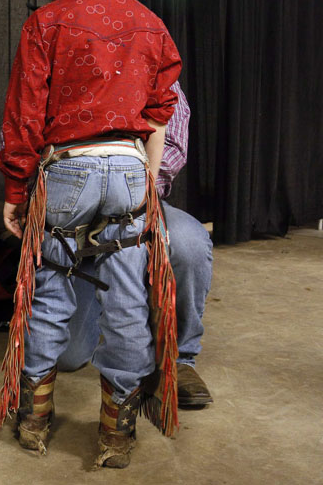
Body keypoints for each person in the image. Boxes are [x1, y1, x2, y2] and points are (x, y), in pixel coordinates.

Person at [0, 0, 183, 468]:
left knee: (49, 295)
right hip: (129, 173)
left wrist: (16, 189)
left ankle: (34, 420)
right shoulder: (152, 25)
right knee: (128, 301)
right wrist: (133, 149)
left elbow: (26, 115)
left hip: (67, 172)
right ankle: (116, 434)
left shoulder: (47, 22)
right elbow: (162, 101)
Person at [57, 83, 214, 408]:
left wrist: (128, 196)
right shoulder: (59, 52)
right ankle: (120, 310)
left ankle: (180, 357)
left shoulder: (151, 53)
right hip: (76, 208)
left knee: (188, 242)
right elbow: (21, 133)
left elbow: (171, 141)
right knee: (68, 357)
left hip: (138, 197)